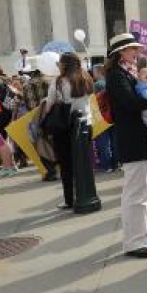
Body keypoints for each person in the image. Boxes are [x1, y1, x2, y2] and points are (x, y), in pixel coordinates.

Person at [105, 33, 147, 258]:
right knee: (136, 192)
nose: (137, 52)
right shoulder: (115, 75)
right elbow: (131, 104)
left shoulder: (129, 73)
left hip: (144, 138)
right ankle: (134, 242)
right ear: (120, 52)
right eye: (133, 48)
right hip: (132, 140)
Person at [44, 52, 94, 210]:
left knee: (66, 165)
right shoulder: (86, 78)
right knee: (84, 162)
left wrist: (45, 115)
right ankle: (85, 194)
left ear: (64, 64)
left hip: (64, 125)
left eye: (60, 63)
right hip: (85, 123)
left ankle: (69, 199)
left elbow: (50, 103)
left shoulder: (59, 81)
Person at [23, 69, 58, 181]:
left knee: (41, 145)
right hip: (53, 116)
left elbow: (31, 105)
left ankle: (50, 172)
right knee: (55, 143)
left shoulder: (27, 85)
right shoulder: (51, 81)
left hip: (38, 118)